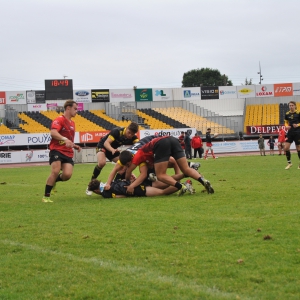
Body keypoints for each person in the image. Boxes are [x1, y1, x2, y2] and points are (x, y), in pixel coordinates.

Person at [130, 136, 214, 195]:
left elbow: (130, 169)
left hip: (162, 143)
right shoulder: (148, 154)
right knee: (186, 169)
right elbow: (171, 161)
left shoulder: (139, 154)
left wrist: (129, 181)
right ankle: (203, 180)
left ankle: (181, 186)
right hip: (173, 140)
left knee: (161, 175)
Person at [42, 100, 81, 203]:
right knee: (55, 171)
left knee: (67, 175)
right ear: (68, 108)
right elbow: (53, 132)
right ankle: (46, 196)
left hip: (67, 152)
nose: (76, 111)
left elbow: (69, 140)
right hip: (57, 150)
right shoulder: (59, 119)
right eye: (75, 109)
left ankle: (55, 181)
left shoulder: (73, 123)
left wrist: (74, 145)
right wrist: (64, 139)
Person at [85, 122, 139, 195]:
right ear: (127, 128)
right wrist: (112, 150)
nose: (130, 135)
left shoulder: (133, 137)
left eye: (132, 134)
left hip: (113, 150)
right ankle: (90, 185)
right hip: (103, 147)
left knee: (124, 164)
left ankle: (115, 184)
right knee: (102, 163)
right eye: (129, 132)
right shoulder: (117, 131)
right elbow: (106, 143)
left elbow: (140, 144)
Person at [87, 177, 192, 198]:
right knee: (163, 183)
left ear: (96, 190)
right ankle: (183, 181)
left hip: (135, 189)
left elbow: (120, 196)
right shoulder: (108, 182)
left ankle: (184, 185)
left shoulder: (105, 193)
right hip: (136, 182)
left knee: (162, 192)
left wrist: (129, 195)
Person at [284, 101, 300, 169]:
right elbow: (286, 122)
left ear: (295, 106)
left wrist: (298, 125)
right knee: (286, 148)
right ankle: (289, 163)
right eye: (290, 105)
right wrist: (286, 126)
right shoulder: (287, 114)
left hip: (298, 132)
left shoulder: (298, 113)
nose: (291, 106)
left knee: (298, 148)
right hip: (290, 132)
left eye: (292, 105)